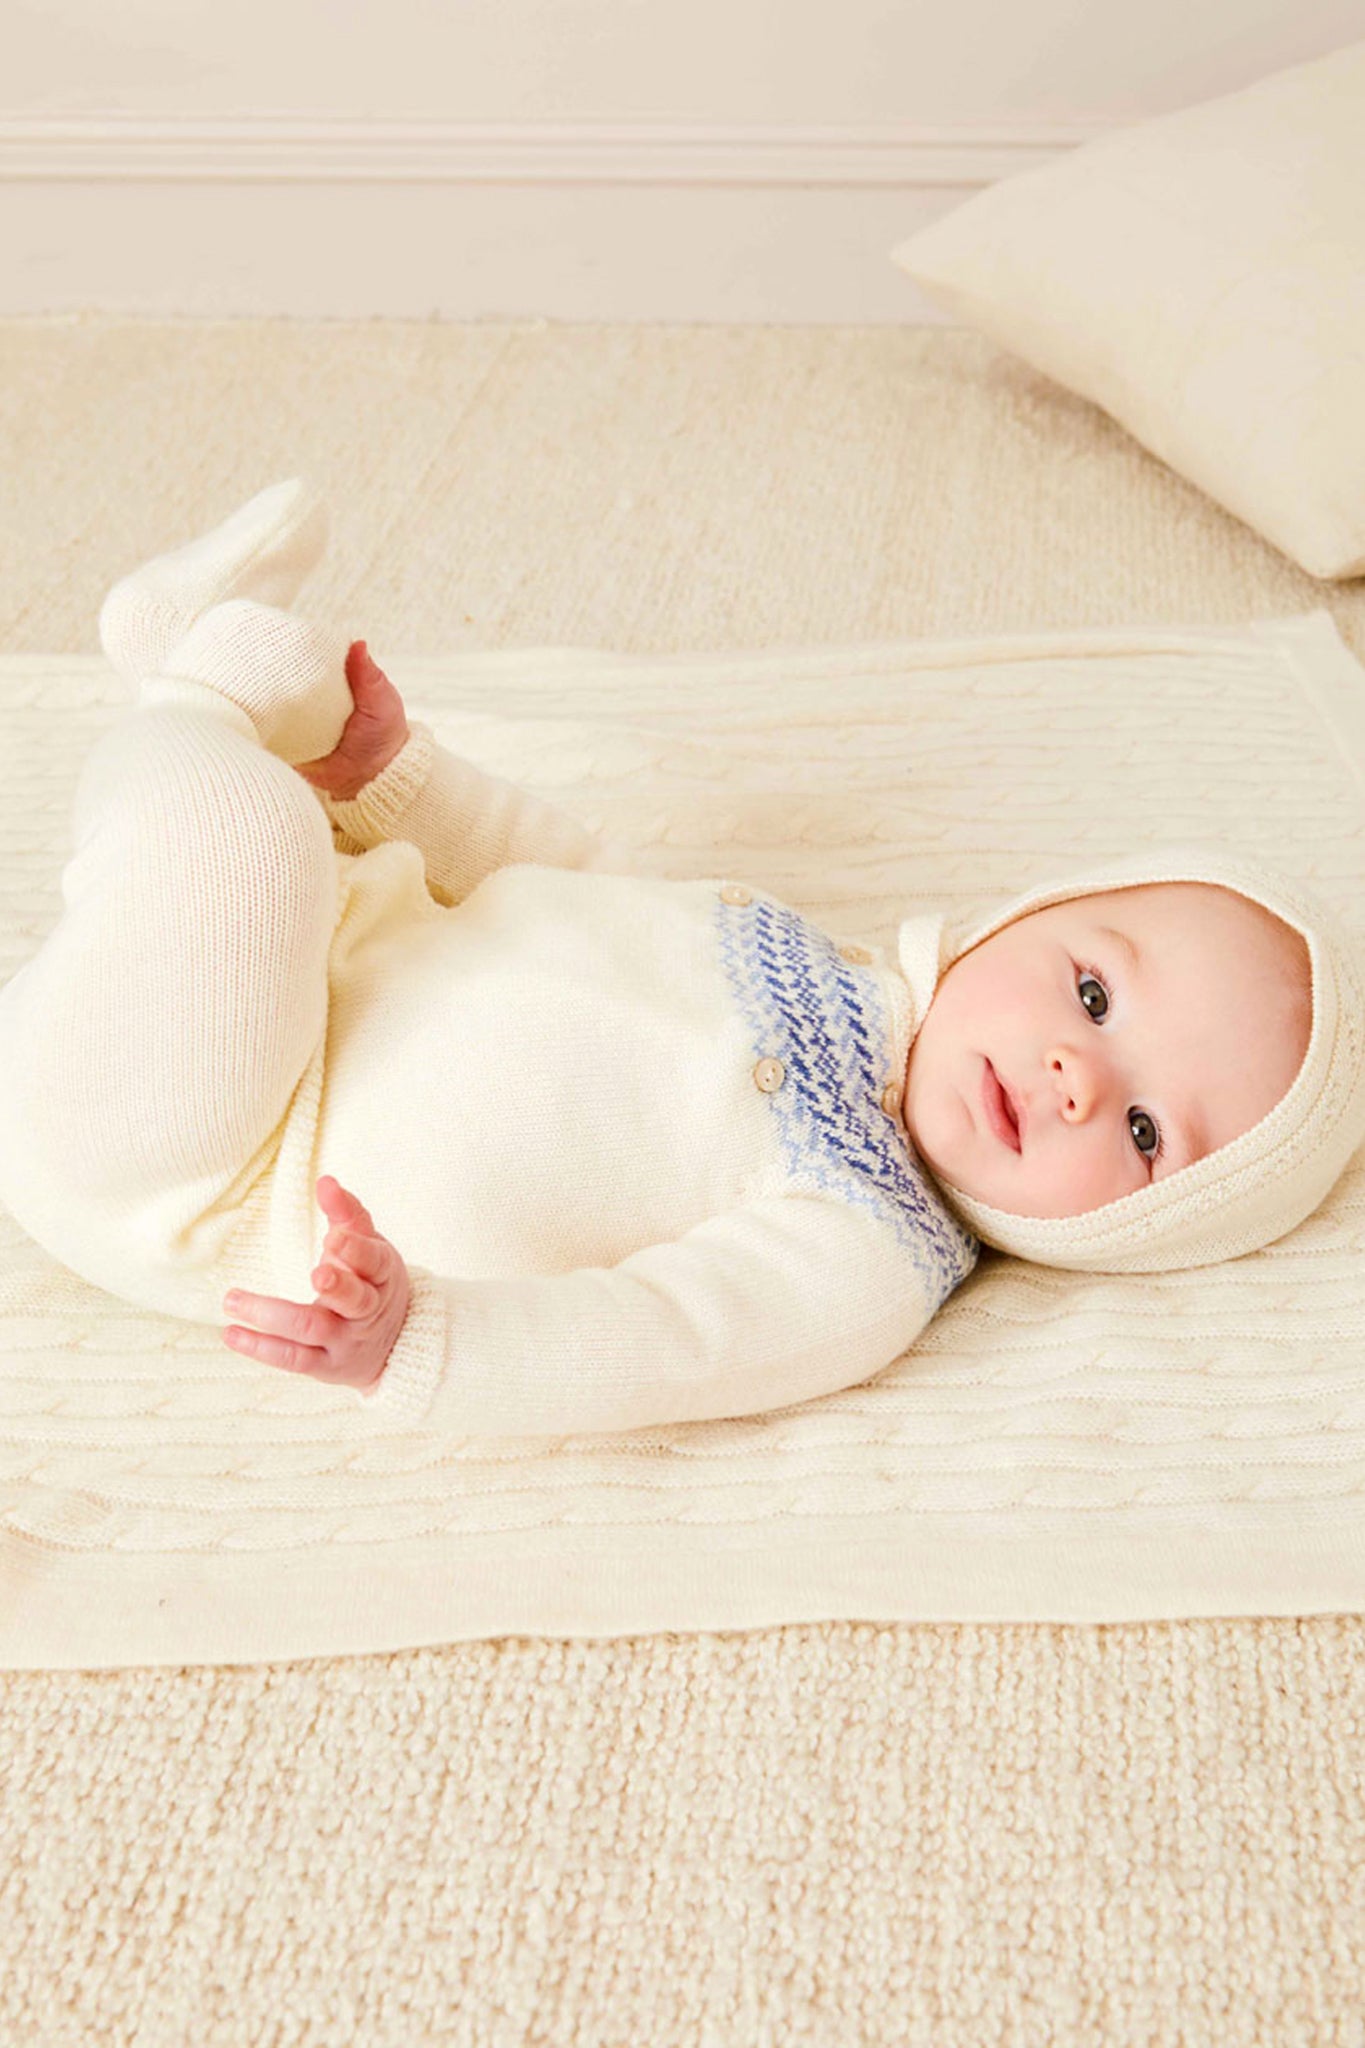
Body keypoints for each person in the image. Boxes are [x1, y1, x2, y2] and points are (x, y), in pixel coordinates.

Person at [2, 480, 1362, 1440]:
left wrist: (422, 1335)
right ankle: (214, 701)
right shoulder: (803, 958)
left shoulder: (865, 1255)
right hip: (302, 971)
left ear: (1131, 1237)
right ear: (1010, 921)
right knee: (289, 820)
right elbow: (569, 876)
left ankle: (191, 687)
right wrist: (397, 779)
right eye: (1090, 991)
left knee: (240, 830)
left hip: (209, 1170)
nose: (1072, 1072)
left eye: (1138, 1127)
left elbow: (658, 1339)